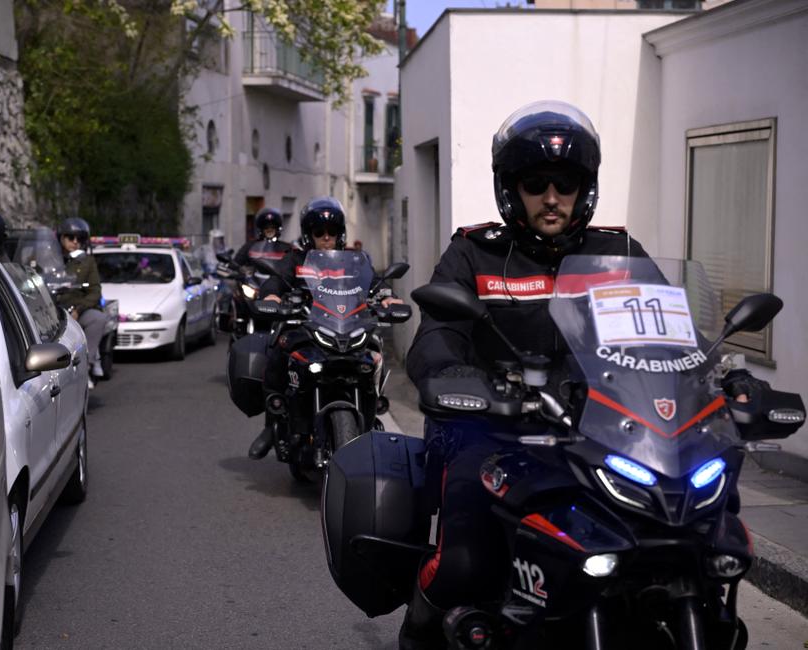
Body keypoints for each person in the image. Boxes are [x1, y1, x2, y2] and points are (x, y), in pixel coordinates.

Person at [399, 100, 759, 649]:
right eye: (535, 182)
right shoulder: (475, 254)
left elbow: (672, 339)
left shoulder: (621, 253)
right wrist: (453, 374)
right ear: (511, 189)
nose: (551, 197)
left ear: (583, 187)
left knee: (711, 512)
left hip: (604, 435)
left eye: (564, 182)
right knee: (466, 549)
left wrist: (720, 378)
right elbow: (437, 335)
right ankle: (425, 626)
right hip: (499, 431)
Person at [247, 196, 401, 459]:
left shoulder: (354, 260)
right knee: (279, 344)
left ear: (340, 234)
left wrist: (387, 296)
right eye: (320, 232)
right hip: (306, 324)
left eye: (332, 232)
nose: (326, 238)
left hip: (346, 325)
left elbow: (374, 283)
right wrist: (271, 295)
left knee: (374, 347)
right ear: (309, 235)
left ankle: (372, 404)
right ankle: (272, 421)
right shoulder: (295, 259)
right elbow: (277, 281)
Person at [56, 217, 107, 388]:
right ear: (61, 238)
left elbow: (95, 291)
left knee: (97, 318)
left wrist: (79, 308)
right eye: (71, 237)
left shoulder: (87, 262)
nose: (75, 242)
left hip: (78, 308)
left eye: (80, 239)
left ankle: (88, 365)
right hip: (51, 309)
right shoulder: (50, 259)